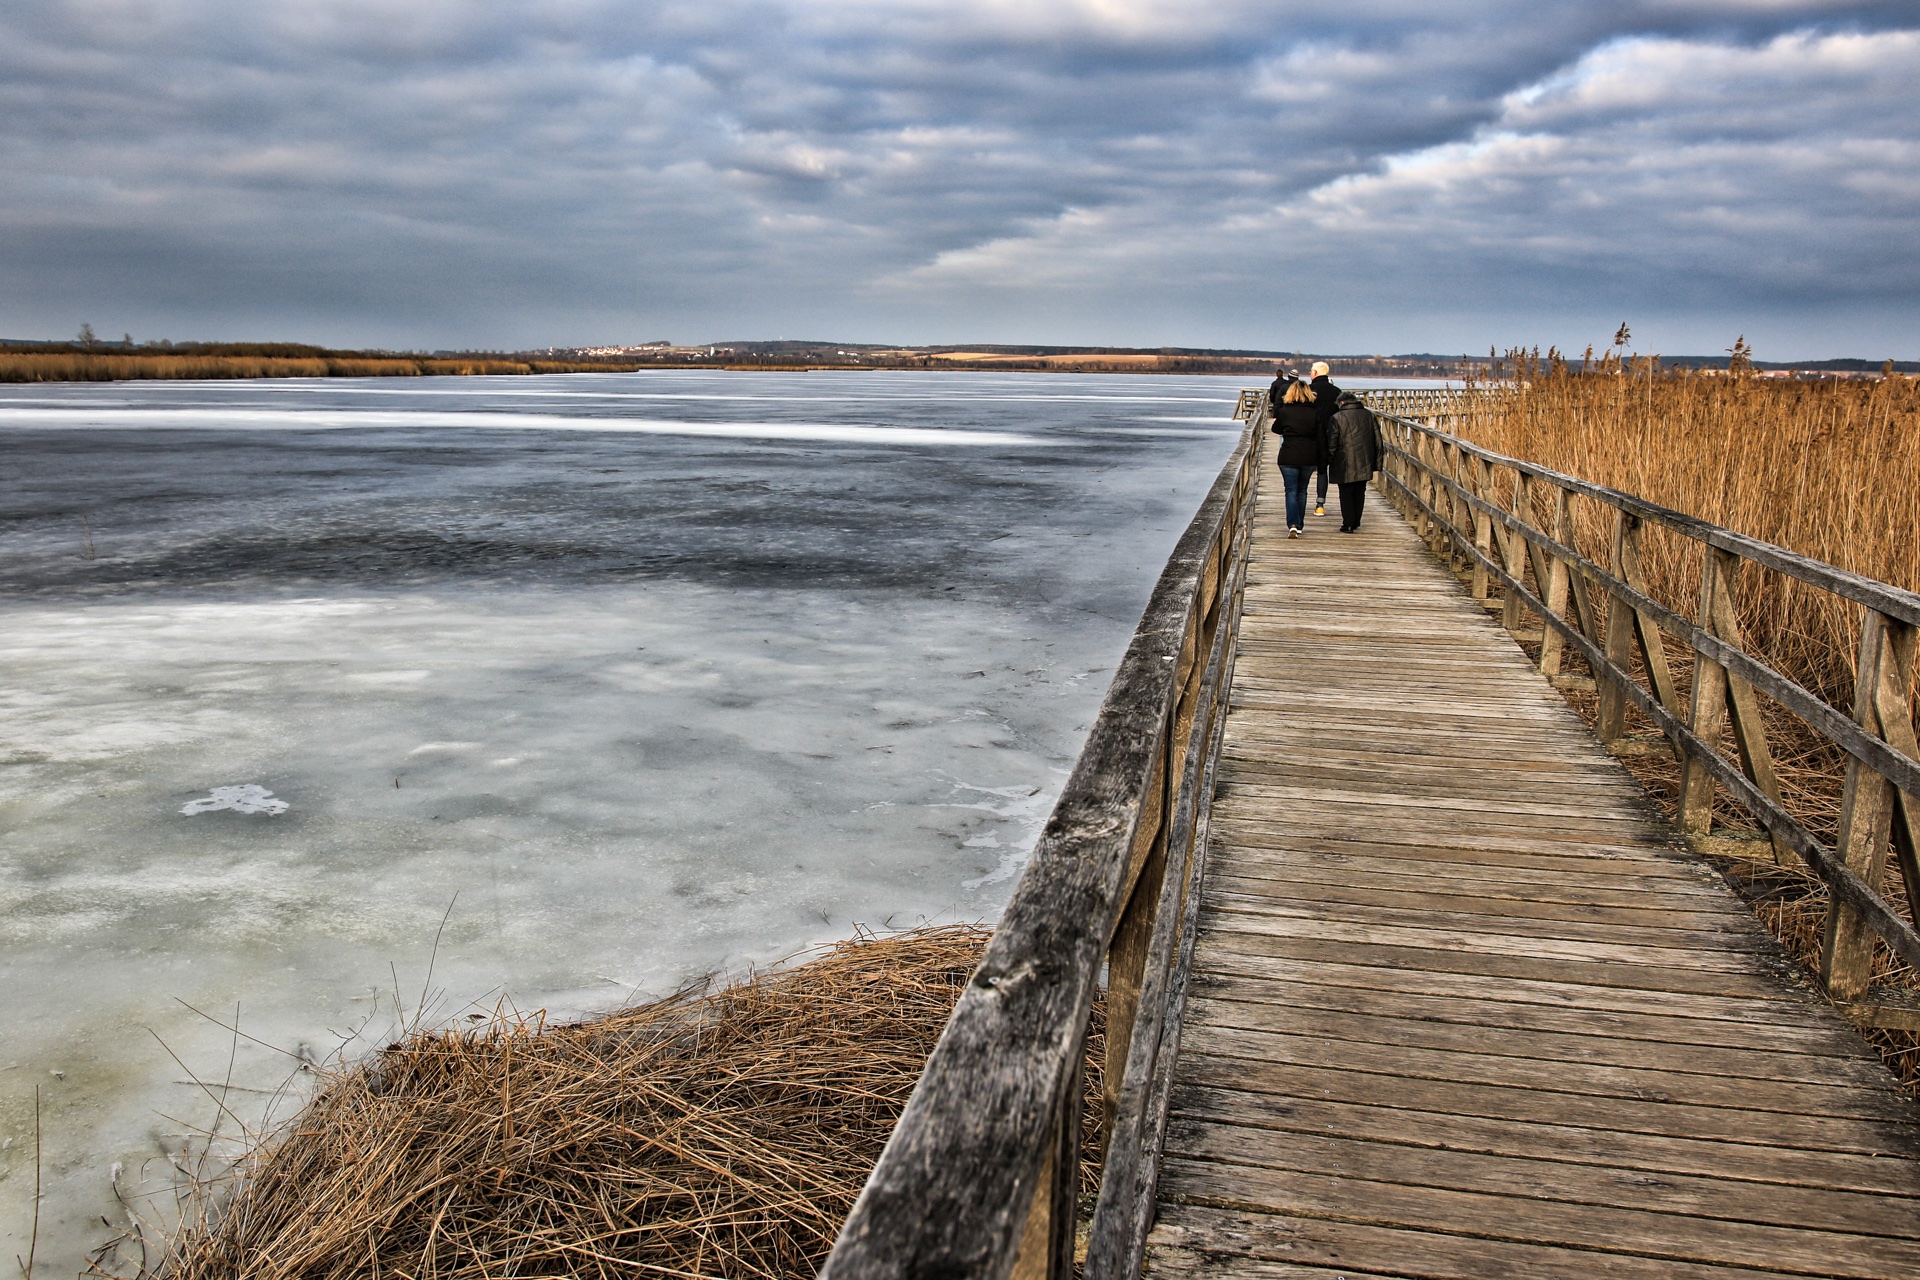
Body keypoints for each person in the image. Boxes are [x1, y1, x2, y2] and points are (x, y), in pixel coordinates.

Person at [1271, 378, 1325, 537]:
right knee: (1302, 490)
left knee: (1290, 490)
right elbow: (1321, 436)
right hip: (1309, 456)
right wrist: (1322, 460)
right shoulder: (1316, 412)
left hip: (1288, 455)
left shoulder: (1285, 411)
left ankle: (1293, 523)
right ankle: (1299, 524)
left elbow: (1275, 429)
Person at [1326, 391, 1383, 532]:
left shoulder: (1337, 418)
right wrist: (1378, 462)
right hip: (1365, 460)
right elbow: (1378, 441)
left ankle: (1348, 523)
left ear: (1341, 403)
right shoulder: (1369, 415)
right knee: (1360, 491)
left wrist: (1328, 460)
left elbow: (1332, 443)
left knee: (1345, 493)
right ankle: (1356, 520)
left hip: (1344, 461)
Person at [1307, 361, 1343, 516]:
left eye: (1310, 371)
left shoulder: (1309, 390)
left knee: (1305, 468)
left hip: (1310, 434)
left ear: (1315, 373)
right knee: (1323, 469)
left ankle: (1299, 499)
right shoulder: (1336, 391)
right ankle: (1320, 504)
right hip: (1330, 434)